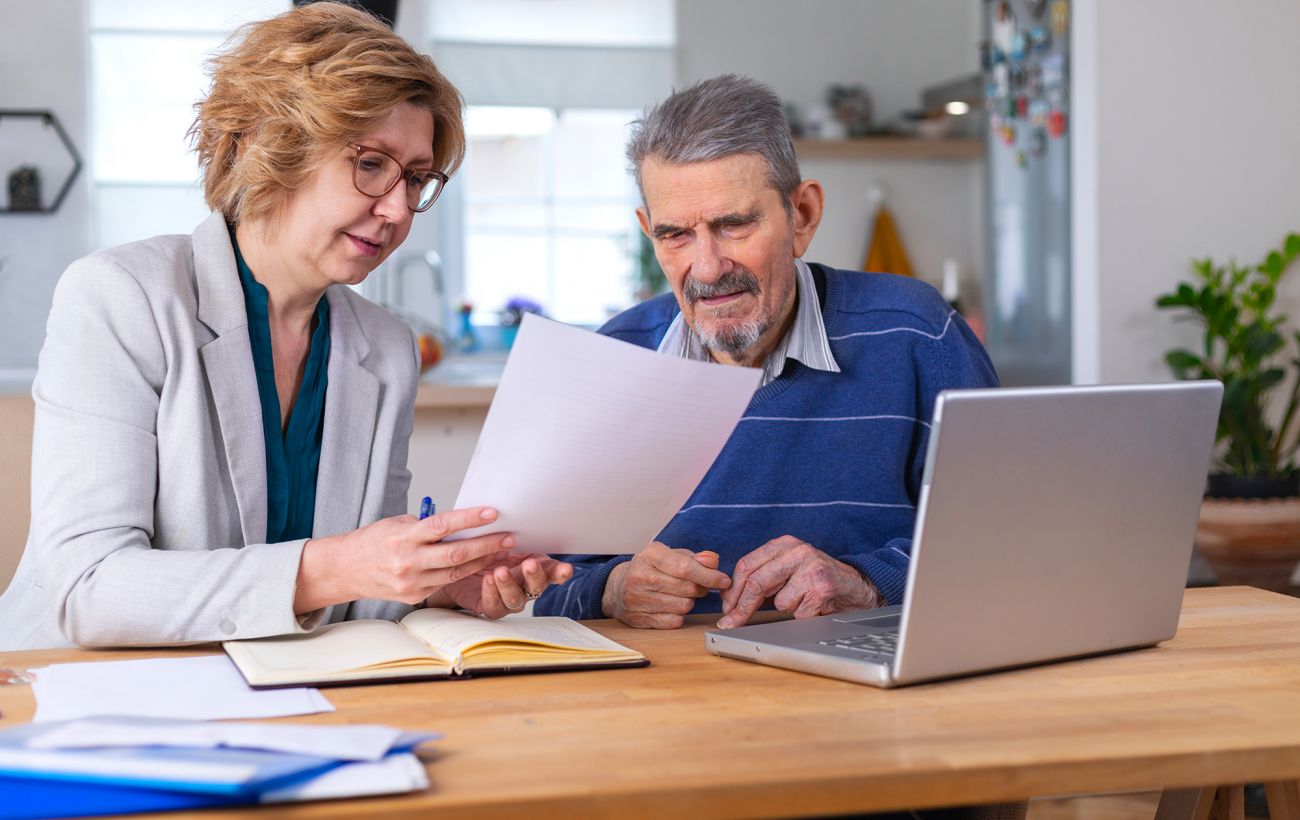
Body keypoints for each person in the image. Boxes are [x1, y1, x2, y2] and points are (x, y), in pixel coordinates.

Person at [0, 3, 569, 651]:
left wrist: (437, 584)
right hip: (78, 692)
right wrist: (337, 565)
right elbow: (91, 588)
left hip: (285, 692)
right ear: (269, 145)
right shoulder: (122, 297)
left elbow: (353, 597)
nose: (397, 209)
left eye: (415, 179)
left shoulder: (384, 349)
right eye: (371, 164)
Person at [535, 74, 998, 630]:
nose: (706, 268)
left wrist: (869, 581)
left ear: (802, 216)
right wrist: (612, 591)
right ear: (647, 231)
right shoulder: (615, 357)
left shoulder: (919, 334)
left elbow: (1010, 537)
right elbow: (550, 594)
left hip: (866, 693)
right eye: (675, 235)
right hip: (666, 700)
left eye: (733, 226)